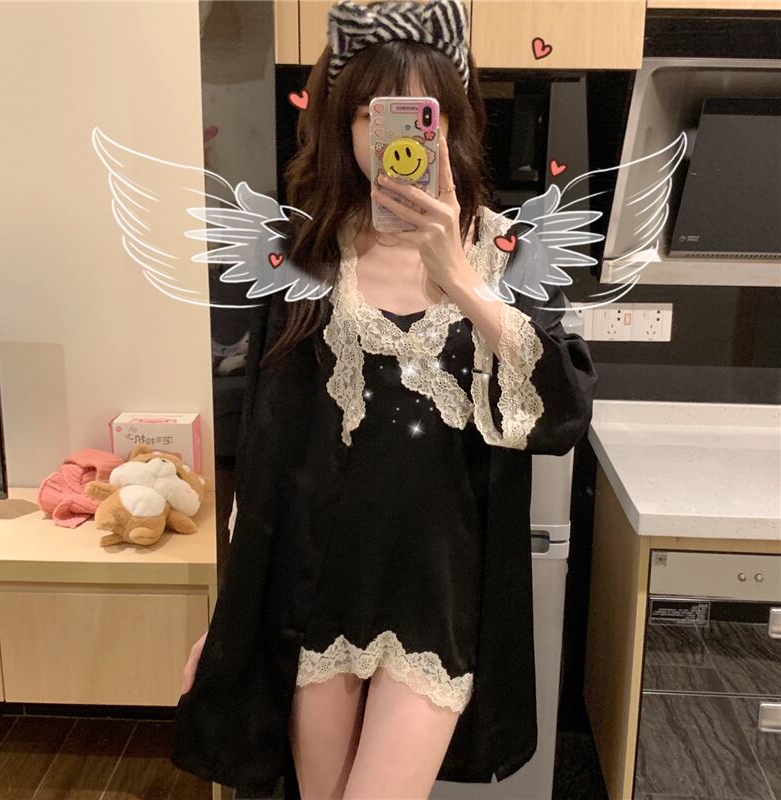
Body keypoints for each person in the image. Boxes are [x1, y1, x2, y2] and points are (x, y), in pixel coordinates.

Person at [171, 1, 598, 798]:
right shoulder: (305, 260)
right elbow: (265, 459)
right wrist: (233, 623)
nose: (390, 136)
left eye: (416, 113)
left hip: (437, 597)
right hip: (315, 590)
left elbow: (564, 413)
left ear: (448, 123)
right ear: (344, 123)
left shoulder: (507, 254)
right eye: (371, 112)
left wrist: (461, 280)